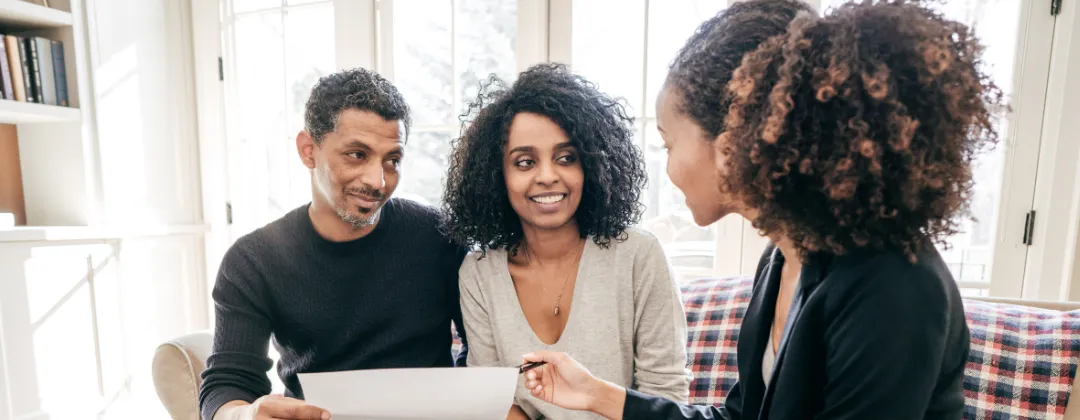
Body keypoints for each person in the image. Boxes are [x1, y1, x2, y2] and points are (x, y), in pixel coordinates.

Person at [520, 0, 997, 419]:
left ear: (730, 147)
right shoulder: (782, 257)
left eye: (668, 144)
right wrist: (597, 394)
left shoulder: (892, 284)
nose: (668, 169)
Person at [198, 68, 469, 420]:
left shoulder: (439, 236)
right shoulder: (253, 261)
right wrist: (244, 415)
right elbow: (226, 384)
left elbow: (480, 353)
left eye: (393, 160)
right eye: (357, 154)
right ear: (308, 150)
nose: (378, 180)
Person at [441, 63, 692, 420]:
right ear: (498, 176)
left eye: (566, 158)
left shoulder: (639, 255)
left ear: (590, 165)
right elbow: (495, 403)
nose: (547, 176)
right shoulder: (479, 274)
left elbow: (665, 397)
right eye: (525, 162)